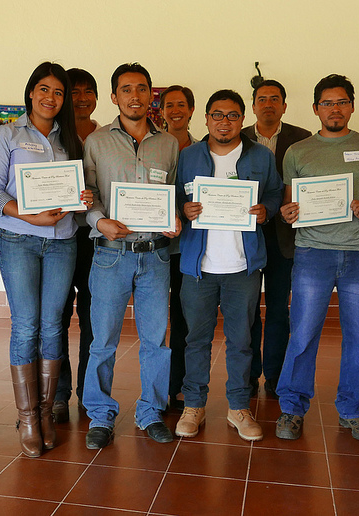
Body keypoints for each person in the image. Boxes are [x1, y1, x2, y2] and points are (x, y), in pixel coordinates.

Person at [276, 74, 359, 442]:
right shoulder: (298, 152)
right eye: (327, 103)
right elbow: (288, 203)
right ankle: (292, 409)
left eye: (341, 102)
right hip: (313, 253)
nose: (335, 109)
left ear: (352, 106)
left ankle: (353, 410)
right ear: (315, 109)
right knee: (304, 333)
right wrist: (288, 212)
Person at [0, 62, 91, 458]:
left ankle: (46, 411)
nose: (51, 98)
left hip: (63, 242)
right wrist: (26, 214)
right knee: (26, 326)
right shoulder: (8, 134)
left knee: (53, 327)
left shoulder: (70, 141)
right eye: (44, 89)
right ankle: (27, 415)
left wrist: (85, 199)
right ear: (31, 92)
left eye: (58, 92)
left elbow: (80, 191)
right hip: (19, 241)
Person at [82, 63, 181, 449]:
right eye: (126, 89)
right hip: (111, 255)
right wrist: (99, 220)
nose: (135, 96)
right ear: (114, 97)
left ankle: (151, 412)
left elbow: (171, 195)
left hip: (155, 256)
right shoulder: (96, 141)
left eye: (142, 89)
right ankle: (101, 415)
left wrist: (173, 219)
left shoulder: (169, 143)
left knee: (156, 340)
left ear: (150, 95)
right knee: (102, 340)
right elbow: (87, 195)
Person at [175, 90, 283, 441]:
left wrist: (265, 211)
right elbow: (173, 197)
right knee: (196, 339)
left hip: (242, 266)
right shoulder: (188, 156)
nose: (224, 121)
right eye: (217, 114)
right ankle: (194, 405)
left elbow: (275, 194)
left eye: (233, 115)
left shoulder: (261, 156)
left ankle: (238, 408)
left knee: (241, 341)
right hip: (198, 267)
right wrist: (183, 210)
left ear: (242, 119)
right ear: (205, 118)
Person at [242, 79, 312, 398]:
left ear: (284, 105)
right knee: (247, 307)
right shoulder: (237, 136)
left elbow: (311, 187)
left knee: (279, 307)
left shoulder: (302, 139)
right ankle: (248, 371)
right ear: (253, 105)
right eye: (262, 99)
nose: (268, 104)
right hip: (245, 236)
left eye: (275, 99)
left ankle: (274, 372)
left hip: (286, 237)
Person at [53, 68, 100, 423]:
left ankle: (88, 392)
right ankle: (57, 393)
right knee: (56, 316)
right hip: (57, 235)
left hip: (94, 238)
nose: (81, 98)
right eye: (74, 92)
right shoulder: (52, 136)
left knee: (91, 316)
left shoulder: (107, 137)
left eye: (88, 91)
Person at [160, 84, 198, 410]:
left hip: (191, 247)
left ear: (191, 111)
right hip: (160, 247)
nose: (176, 110)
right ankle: (161, 387)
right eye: (169, 105)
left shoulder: (201, 151)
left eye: (181, 105)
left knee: (185, 318)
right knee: (159, 318)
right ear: (162, 111)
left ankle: (180, 384)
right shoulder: (156, 148)